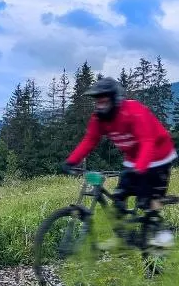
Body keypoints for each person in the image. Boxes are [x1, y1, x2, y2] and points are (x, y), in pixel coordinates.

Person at [62, 76, 177, 248]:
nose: (99, 103)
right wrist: (71, 161)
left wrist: (140, 169)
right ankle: (124, 236)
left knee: (147, 201)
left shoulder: (134, 111)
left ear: (114, 98)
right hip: (133, 160)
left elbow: (147, 142)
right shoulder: (99, 119)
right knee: (119, 197)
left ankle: (163, 234)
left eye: (104, 99)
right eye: (97, 100)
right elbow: (90, 140)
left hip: (159, 157)